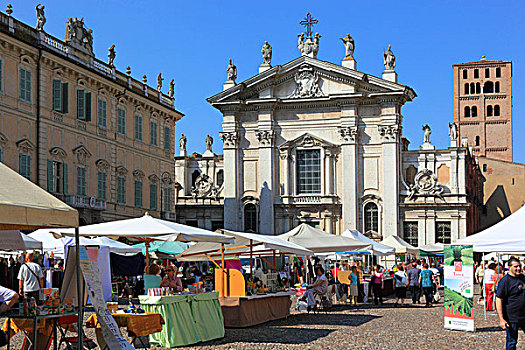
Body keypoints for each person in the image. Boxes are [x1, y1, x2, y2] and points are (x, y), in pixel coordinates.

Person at [496, 257, 525, 350]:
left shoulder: (522, 278)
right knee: (512, 341)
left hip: (524, 315)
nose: (519, 268)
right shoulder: (505, 281)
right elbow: (498, 299)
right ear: (509, 267)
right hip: (511, 317)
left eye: (520, 266)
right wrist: (501, 319)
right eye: (516, 266)